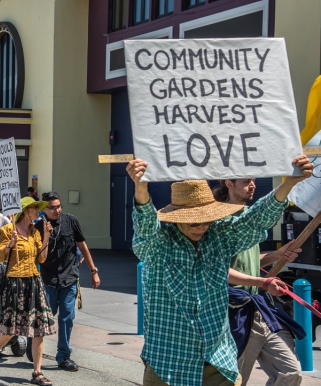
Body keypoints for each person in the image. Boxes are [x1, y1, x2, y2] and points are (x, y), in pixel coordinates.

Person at [128, 155, 312, 386]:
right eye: (194, 222)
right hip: (169, 363)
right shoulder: (157, 245)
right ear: (176, 219)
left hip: (218, 361)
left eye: (206, 220)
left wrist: (289, 183)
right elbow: (145, 226)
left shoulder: (218, 236)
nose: (202, 227)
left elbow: (256, 219)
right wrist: (141, 188)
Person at [212, 178, 304, 386]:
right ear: (229, 183)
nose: (252, 185)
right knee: (233, 381)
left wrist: (276, 255)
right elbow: (218, 270)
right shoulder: (216, 221)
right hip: (232, 314)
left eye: (254, 180)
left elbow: (249, 259)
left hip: (259, 310)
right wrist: (262, 282)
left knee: (290, 372)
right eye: (246, 181)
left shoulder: (249, 218)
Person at [0, 196, 56, 386]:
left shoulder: (35, 232)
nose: (38, 211)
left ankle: (37, 372)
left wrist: (47, 236)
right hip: (15, 282)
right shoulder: (8, 230)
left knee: (38, 328)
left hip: (33, 281)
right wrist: (10, 244)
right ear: (25, 210)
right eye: (35, 208)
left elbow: (41, 259)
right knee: (11, 328)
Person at [27, 191, 100, 372]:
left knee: (67, 317)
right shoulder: (38, 227)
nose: (57, 210)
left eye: (59, 206)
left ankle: (64, 356)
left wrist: (94, 270)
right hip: (48, 279)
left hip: (69, 278)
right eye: (52, 207)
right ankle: (32, 343)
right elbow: (35, 255)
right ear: (45, 209)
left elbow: (82, 244)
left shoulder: (70, 220)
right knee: (43, 318)